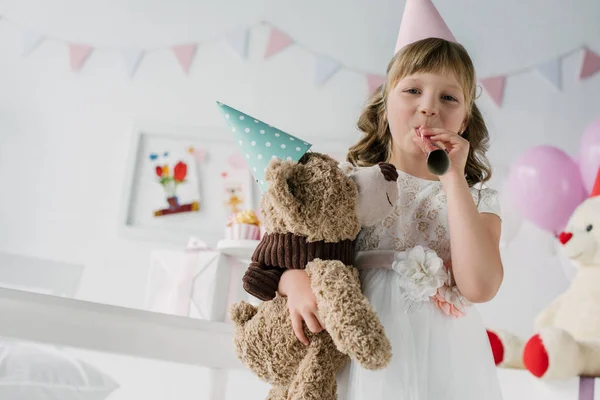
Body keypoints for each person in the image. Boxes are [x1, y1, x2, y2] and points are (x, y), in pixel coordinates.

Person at [277, 35, 505, 400]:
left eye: (449, 97)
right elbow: (285, 250)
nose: (429, 108)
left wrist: (453, 178)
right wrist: (295, 281)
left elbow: (479, 286)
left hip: (441, 360)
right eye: (413, 90)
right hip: (352, 346)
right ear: (384, 106)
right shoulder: (346, 184)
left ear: (464, 121)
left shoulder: (478, 200)